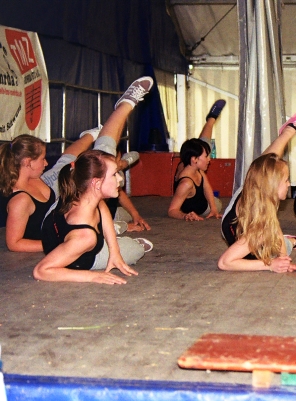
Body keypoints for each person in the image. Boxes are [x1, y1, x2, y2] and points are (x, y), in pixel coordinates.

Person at [32, 77, 155, 284]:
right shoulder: (85, 238)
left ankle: (125, 105)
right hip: (76, 252)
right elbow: (42, 271)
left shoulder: (81, 189)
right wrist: (92, 276)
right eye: (115, 175)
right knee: (134, 250)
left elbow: (100, 206)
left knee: (100, 158)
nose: (120, 179)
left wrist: (114, 250)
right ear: (97, 184)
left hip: (55, 219)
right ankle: (119, 232)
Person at [218, 109, 296, 273]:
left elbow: (274, 224)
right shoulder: (257, 233)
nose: (289, 184)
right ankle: (294, 241)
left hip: (247, 205)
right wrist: (271, 264)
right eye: (286, 180)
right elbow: (224, 263)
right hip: (239, 230)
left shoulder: (263, 191)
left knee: (265, 167)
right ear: (272, 187)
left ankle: (288, 131)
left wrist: (284, 259)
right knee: (272, 248)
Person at [1, 132, 95, 252]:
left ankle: (92, 135)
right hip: (44, 247)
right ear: (28, 162)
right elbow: (14, 244)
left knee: (66, 165)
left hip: (57, 230)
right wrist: (56, 244)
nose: (46, 163)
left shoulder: (35, 178)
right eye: (42, 159)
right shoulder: (20, 201)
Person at [168, 138, 222, 221]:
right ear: (194, 159)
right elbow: (172, 210)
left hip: (205, 203)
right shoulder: (186, 184)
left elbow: (207, 189)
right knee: (219, 203)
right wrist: (185, 216)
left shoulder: (197, 170)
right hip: (203, 209)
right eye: (206, 156)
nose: (209, 159)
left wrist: (213, 209)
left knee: (216, 202)